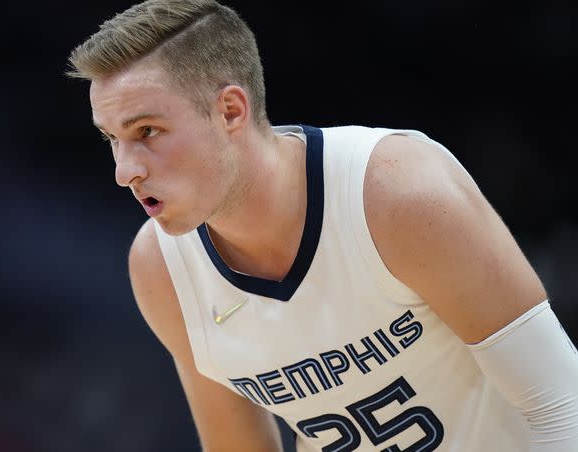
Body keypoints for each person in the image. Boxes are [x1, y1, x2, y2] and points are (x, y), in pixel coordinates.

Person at [66, 1, 578, 450]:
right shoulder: (160, 267)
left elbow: (562, 408)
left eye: (147, 131)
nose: (124, 170)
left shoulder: (396, 193)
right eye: (112, 138)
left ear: (229, 110)